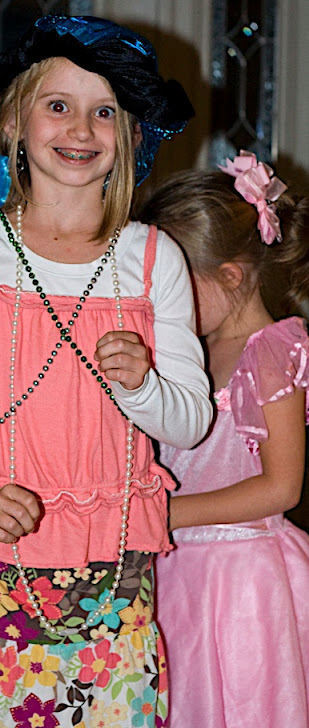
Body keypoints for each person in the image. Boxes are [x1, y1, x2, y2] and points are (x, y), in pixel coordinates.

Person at [0, 14, 212, 728]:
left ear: (129, 134)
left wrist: (142, 386)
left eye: (104, 111)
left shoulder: (151, 258)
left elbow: (190, 421)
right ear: (15, 122)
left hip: (112, 555)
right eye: (58, 105)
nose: (81, 127)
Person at [135, 153, 309, 728]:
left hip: (239, 582)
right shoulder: (192, 350)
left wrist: (168, 513)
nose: (156, 303)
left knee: (236, 703)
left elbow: (281, 487)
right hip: (177, 565)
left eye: (171, 286)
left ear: (230, 277)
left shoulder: (272, 352)